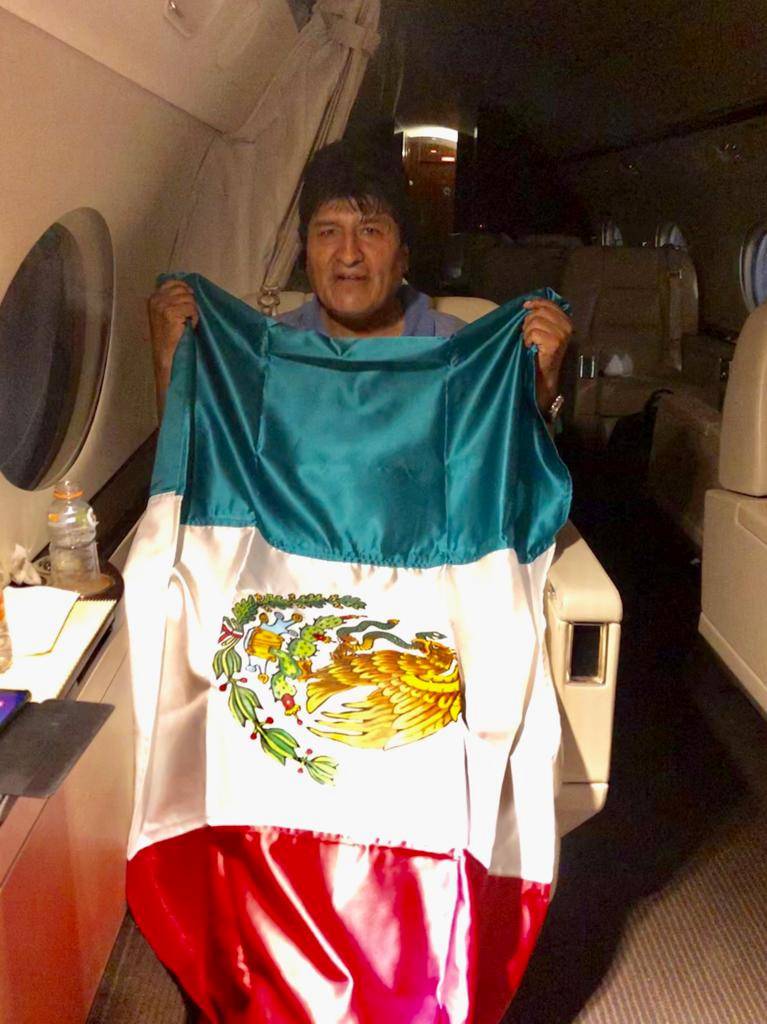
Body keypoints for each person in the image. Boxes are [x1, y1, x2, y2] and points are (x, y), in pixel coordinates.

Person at [148, 139, 571, 419]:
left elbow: (507, 477)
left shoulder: (463, 351)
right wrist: (170, 360)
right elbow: (202, 468)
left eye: (370, 231)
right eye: (328, 232)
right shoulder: (265, 350)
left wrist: (543, 383)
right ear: (307, 254)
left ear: (403, 256)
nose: (348, 254)